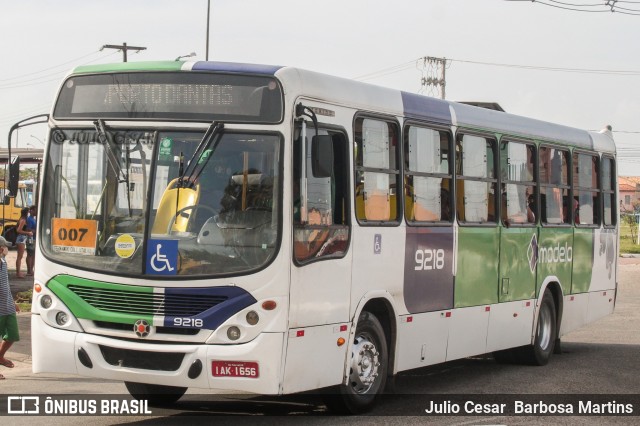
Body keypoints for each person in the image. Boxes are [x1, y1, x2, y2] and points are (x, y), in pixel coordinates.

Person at [0, 235, 20, 380]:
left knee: (12, 335)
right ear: (1, 249)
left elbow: (5, 285)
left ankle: (0, 357)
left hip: (7, 306)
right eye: (5, 246)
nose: (7, 249)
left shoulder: (4, 261)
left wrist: (12, 302)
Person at [14, 207, 33, 278]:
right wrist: (28, 233)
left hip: (22, 238)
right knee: (19, 256)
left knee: (20, 256)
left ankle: (18, 272)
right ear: (26, 213)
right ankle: (18, 273)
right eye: (28, 212)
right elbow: (18, 230)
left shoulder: (21, 219)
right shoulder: (23, 220)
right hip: (21, 238)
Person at [25, 205, 37, 276]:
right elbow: (28, 229)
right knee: (30, 254)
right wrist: (35, 230)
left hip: (34, 238)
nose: (36, 212)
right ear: (31, 211)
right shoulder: (29, 219)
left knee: (33, 255)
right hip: (31, 239)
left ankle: (31, 270)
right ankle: (29, 270)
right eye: (35, 210)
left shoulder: (33, 219)